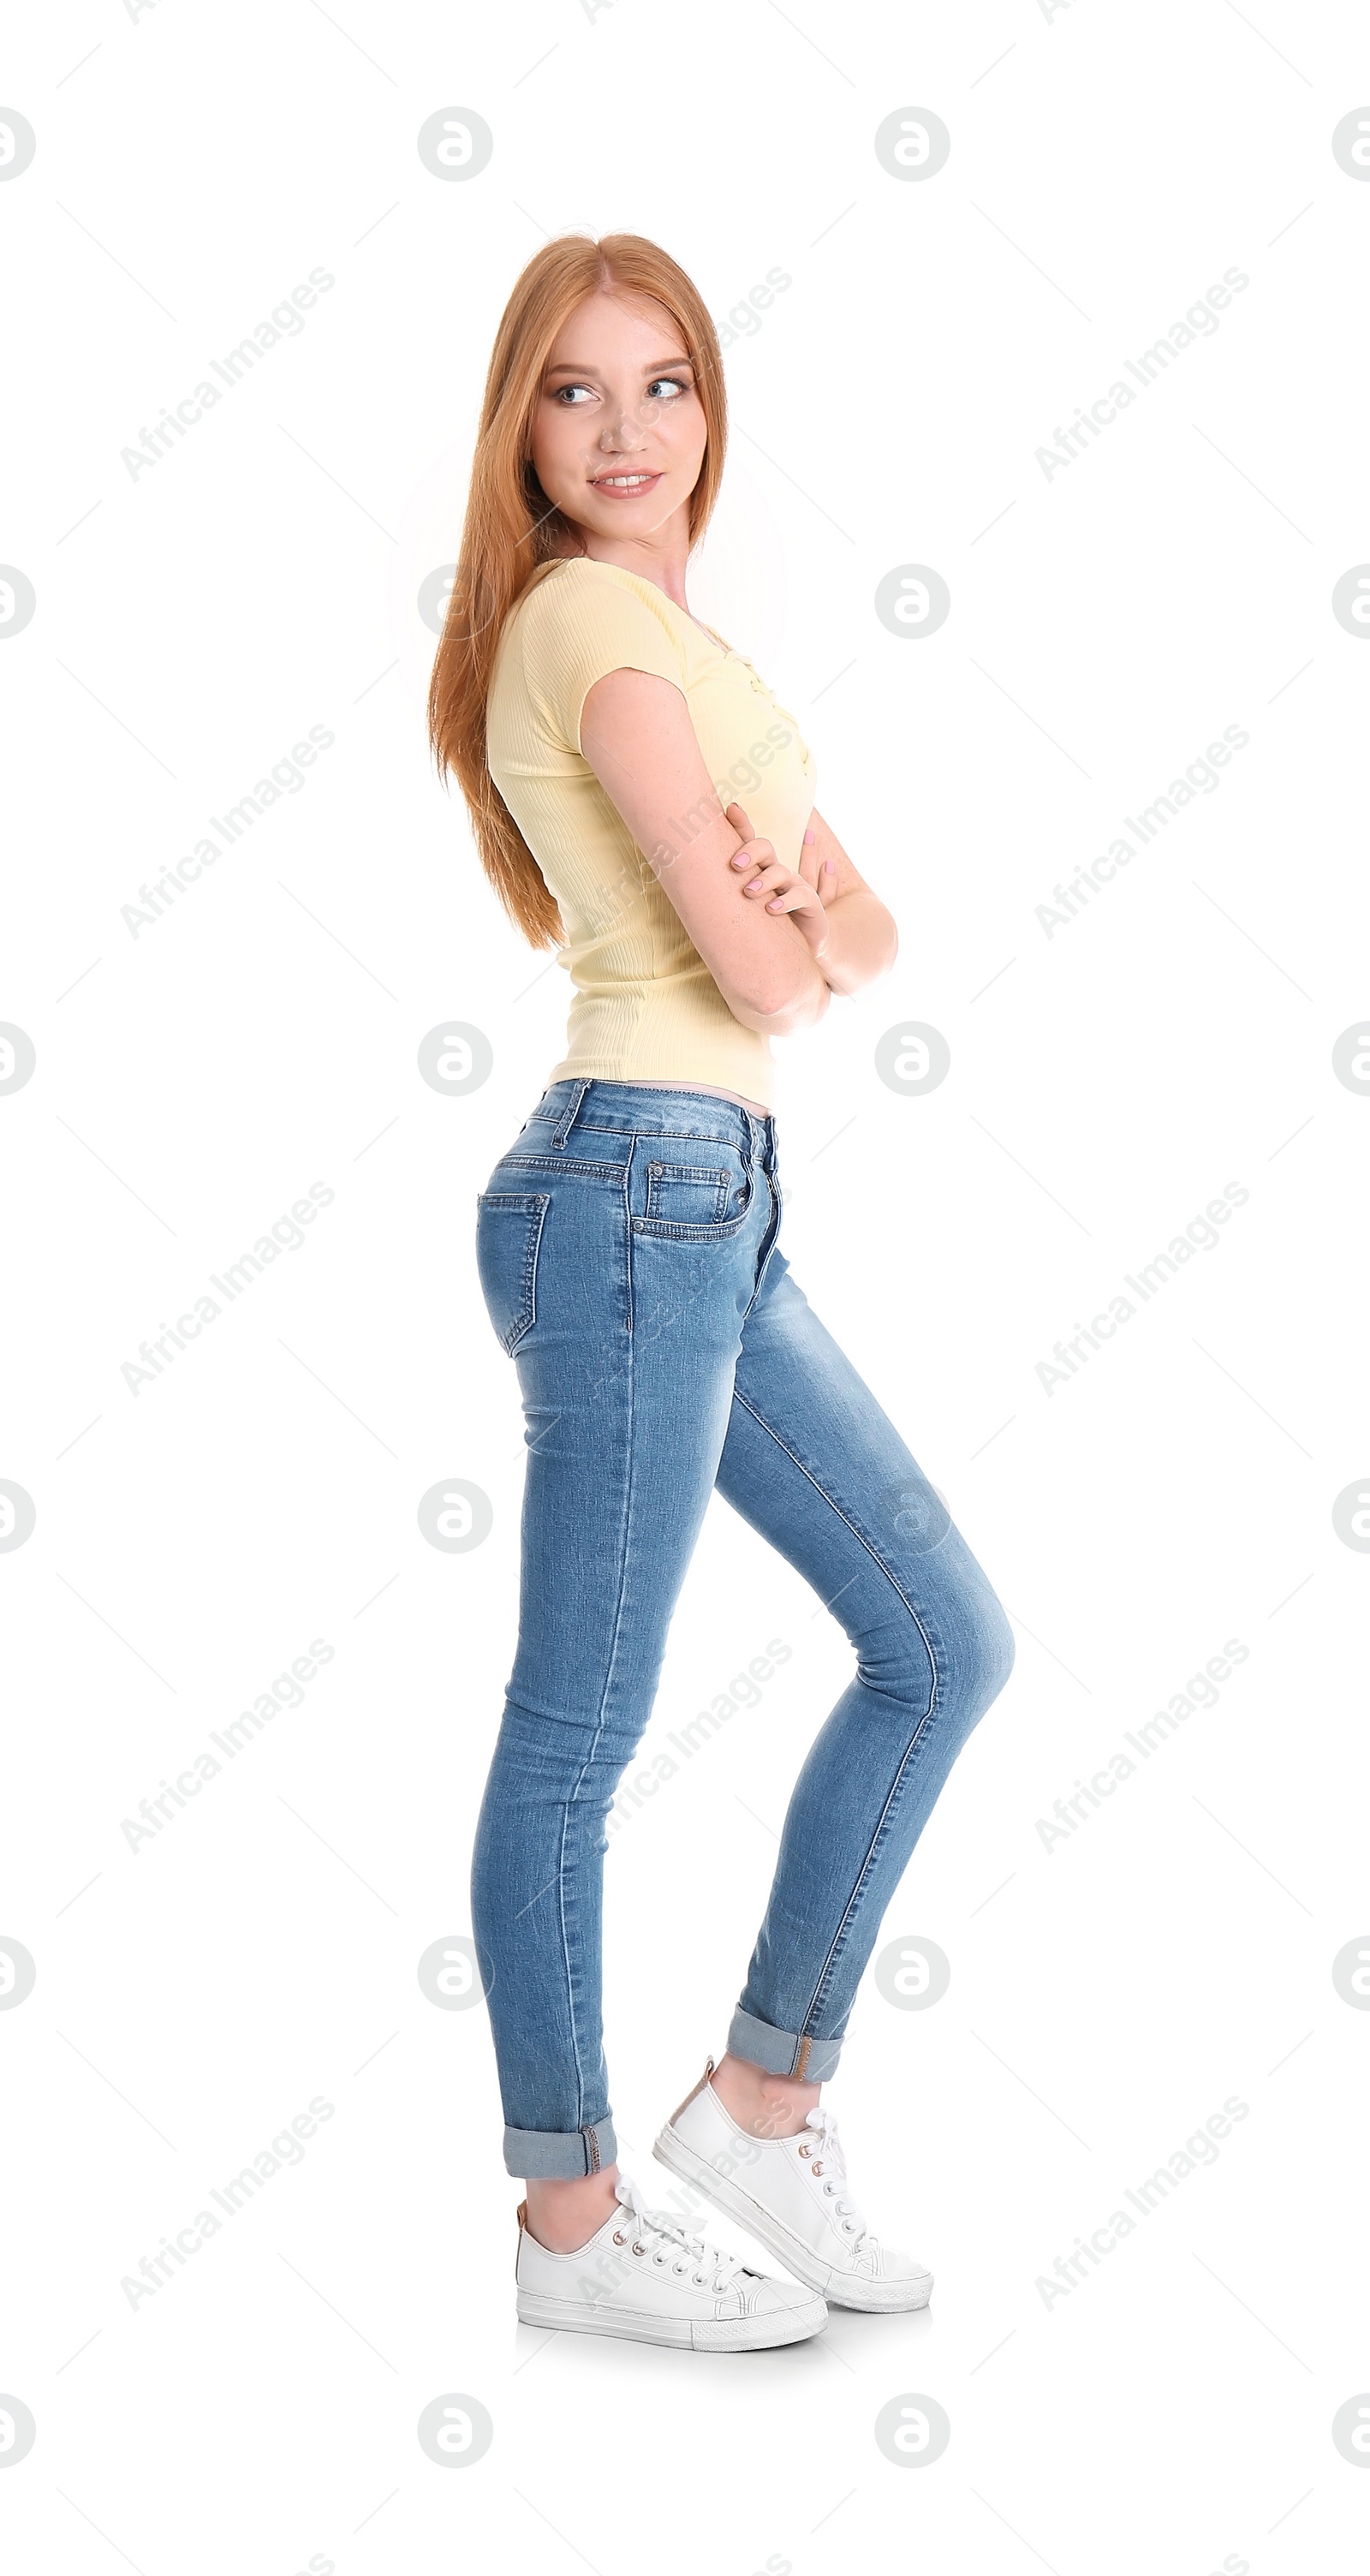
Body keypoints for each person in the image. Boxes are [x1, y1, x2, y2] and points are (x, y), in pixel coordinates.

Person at [427, 231, 1016, 2352]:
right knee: (577, 1729)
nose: (626, 431)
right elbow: (781, 961)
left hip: (708, 1202)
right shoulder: (593, 625)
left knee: (939, 1635)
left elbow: (867, 927)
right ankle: (568, 2216)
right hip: (636, 1192)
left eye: (662, 384)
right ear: (523, 427)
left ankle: (762, 2096)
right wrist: (779, 914)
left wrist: (795, 914)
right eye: (576, 394)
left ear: (706, 409)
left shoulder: (685, 641)